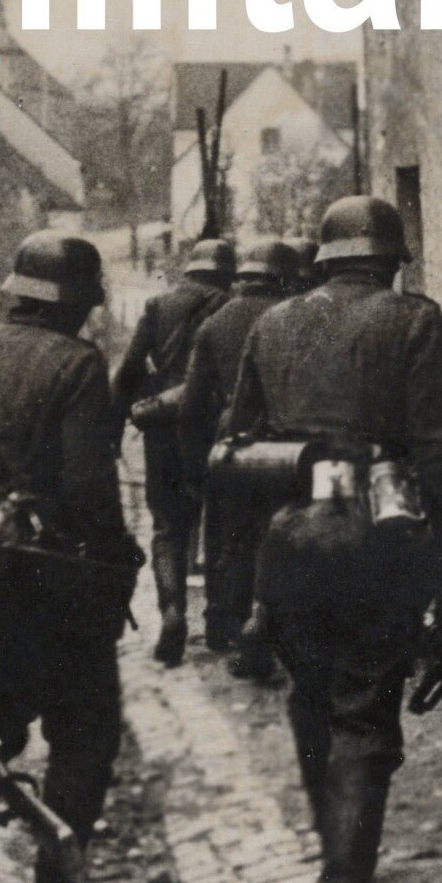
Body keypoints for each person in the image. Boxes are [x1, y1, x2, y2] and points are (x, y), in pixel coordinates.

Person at [223, 194, 442, 883]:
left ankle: (338, 869)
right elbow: (440, 454)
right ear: (392, 259)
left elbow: (237, 445)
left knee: (311, 700)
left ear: (324, 259)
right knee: (365, 712)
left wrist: (249, 575)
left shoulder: (272, 323)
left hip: (290, 544)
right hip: (379, 542)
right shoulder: (414, 321)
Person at [0, 232, 135, 883]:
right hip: (48, 570)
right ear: (76, 305)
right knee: (85, 731)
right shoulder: (78, 364)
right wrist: (115, 565)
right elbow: (87, 489)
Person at [110, 236, 235, 664]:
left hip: (165, 430)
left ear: (190, 269)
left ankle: (172, 612)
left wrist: (113, 432)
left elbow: (127, 371)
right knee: (219, 524)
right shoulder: (232, 307)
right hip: (217, 428)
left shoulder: (158, 307)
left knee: (167, 527)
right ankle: (219, 624)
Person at [179, 237, 297, 651]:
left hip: (231, 436)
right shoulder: (293, 317)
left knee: (225, 534)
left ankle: (221, 625)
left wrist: (194, 468)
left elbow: (192, 405)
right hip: (285, 441)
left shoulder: (214, 323)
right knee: (276, 532)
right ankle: (273, 628)